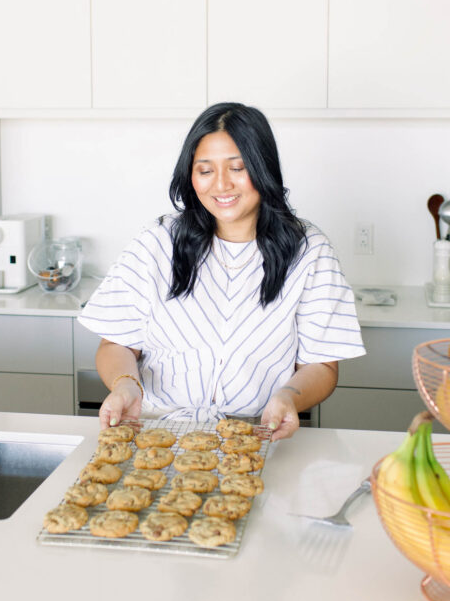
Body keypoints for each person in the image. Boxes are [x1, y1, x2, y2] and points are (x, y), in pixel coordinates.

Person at [78, 102, 365, 440]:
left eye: (238, 167)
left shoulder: (310, 251)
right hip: (156, 431)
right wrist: (126, 387)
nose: (221, 185)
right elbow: (116, 344)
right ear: (191, 175)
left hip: (257, 434)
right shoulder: (156, 242)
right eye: (205, 170)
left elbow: (322, 365)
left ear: (263, 169)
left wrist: (288, 397)